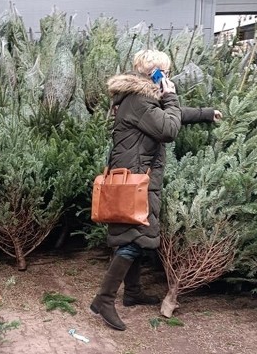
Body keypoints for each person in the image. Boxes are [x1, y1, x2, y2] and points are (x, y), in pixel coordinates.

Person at [90, 50, 222, 331]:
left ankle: (133, 292)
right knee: (133, 238)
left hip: (135, 176)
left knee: (135, 234)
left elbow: (166, 116)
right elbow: (168, 128)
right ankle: (104, 299)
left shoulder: (139, 97)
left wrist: (205, 114)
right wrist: (171, 95)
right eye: (165, 72)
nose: (168, 77)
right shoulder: (139, 99)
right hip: (135, 179)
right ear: (156, 73)